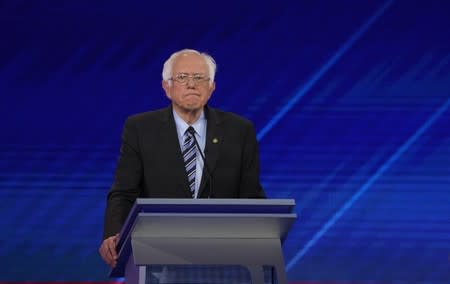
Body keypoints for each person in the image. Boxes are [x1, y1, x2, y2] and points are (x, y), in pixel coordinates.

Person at [99, 49, 266, 267]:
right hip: (158, 254)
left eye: (199, 78)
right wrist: (114, 234)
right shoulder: (140, 129)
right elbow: (123, 192)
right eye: (182, 78)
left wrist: (265, 233)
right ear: (166, 87)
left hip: (223, 256)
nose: (191, 84)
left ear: (211, 88)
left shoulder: (239, 130)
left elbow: (251, 195)